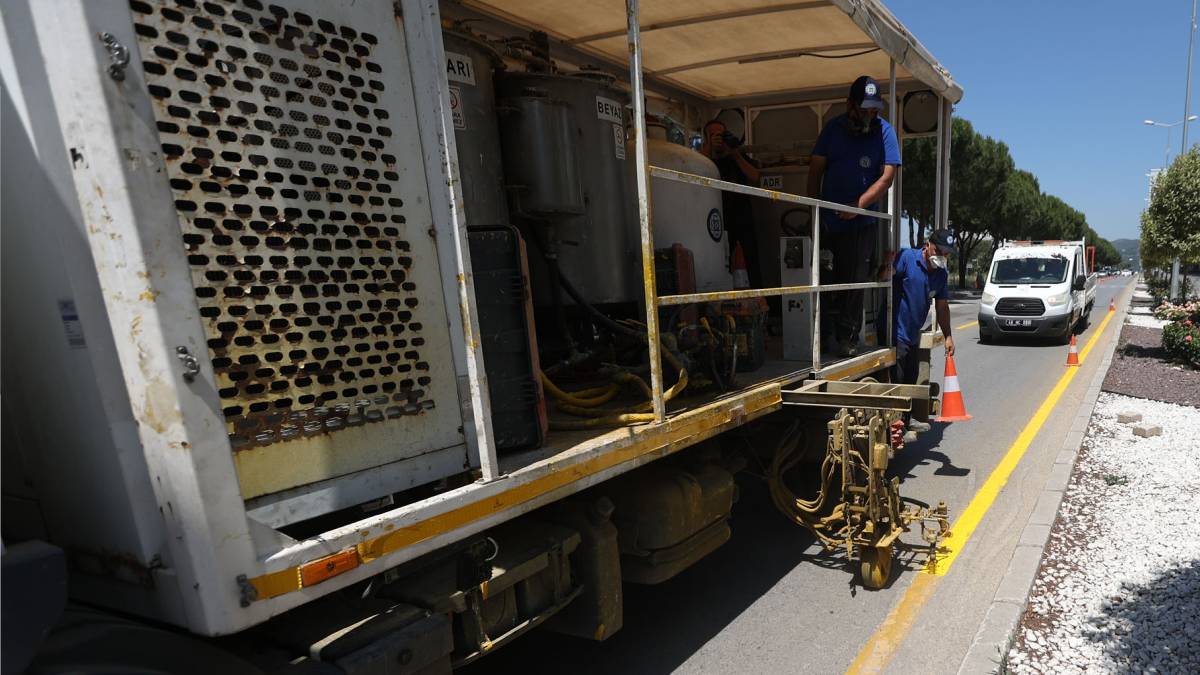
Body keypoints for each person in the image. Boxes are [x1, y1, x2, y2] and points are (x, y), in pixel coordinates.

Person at [807, 75, 901, 357]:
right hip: (828, 222)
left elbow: (887, 177)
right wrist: (813, 211)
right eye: (864, 109)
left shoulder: (885, 132)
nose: (870, 115)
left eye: (874, 110)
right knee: (824, 279)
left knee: (855, 282)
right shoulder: (832, 129)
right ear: (850, 105)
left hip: (861, 223)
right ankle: (821, 336)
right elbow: (815, 171)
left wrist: (857, 205)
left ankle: (847, 338)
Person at [892, 229, 956, 435]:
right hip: (895, 330)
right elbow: (886, 278)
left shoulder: (941, 274)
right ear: (928, 245)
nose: (942, 256)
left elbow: (942, 307)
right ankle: (896, 424)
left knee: (911, 377)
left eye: (946, 253)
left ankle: (906, 419)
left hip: (913, 333)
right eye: (939, 251)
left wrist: (948, 336)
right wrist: (886, 267)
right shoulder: (907, 258)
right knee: (898, 380)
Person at [700, 119, 762, 288]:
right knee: (719, 261)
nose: (718, 139)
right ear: (706, 138)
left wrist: (735, 153)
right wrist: (709, 148)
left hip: (742, 217)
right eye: (713, 135)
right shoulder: (702, 160)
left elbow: (755, 176)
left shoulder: (737, 157)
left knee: (750, 259)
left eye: (721, 135)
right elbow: (694, 170)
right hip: (715, 220)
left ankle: (757, 294)